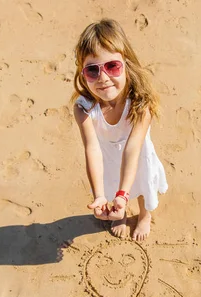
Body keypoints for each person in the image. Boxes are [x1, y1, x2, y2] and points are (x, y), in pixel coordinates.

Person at [72, 18, 168, 241]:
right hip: (108, 159)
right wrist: (98, 195)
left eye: (112, 66)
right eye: (92, 70)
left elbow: (132, 149)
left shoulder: (140, 104)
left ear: (126, 64)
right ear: (83, 74)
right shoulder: (84, 109)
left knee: (143, 185)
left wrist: (124, 194)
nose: (103, 78)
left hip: (137, 156)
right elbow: (92, 149)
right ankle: (120, 214)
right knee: (112, 186)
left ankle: (144, 216)